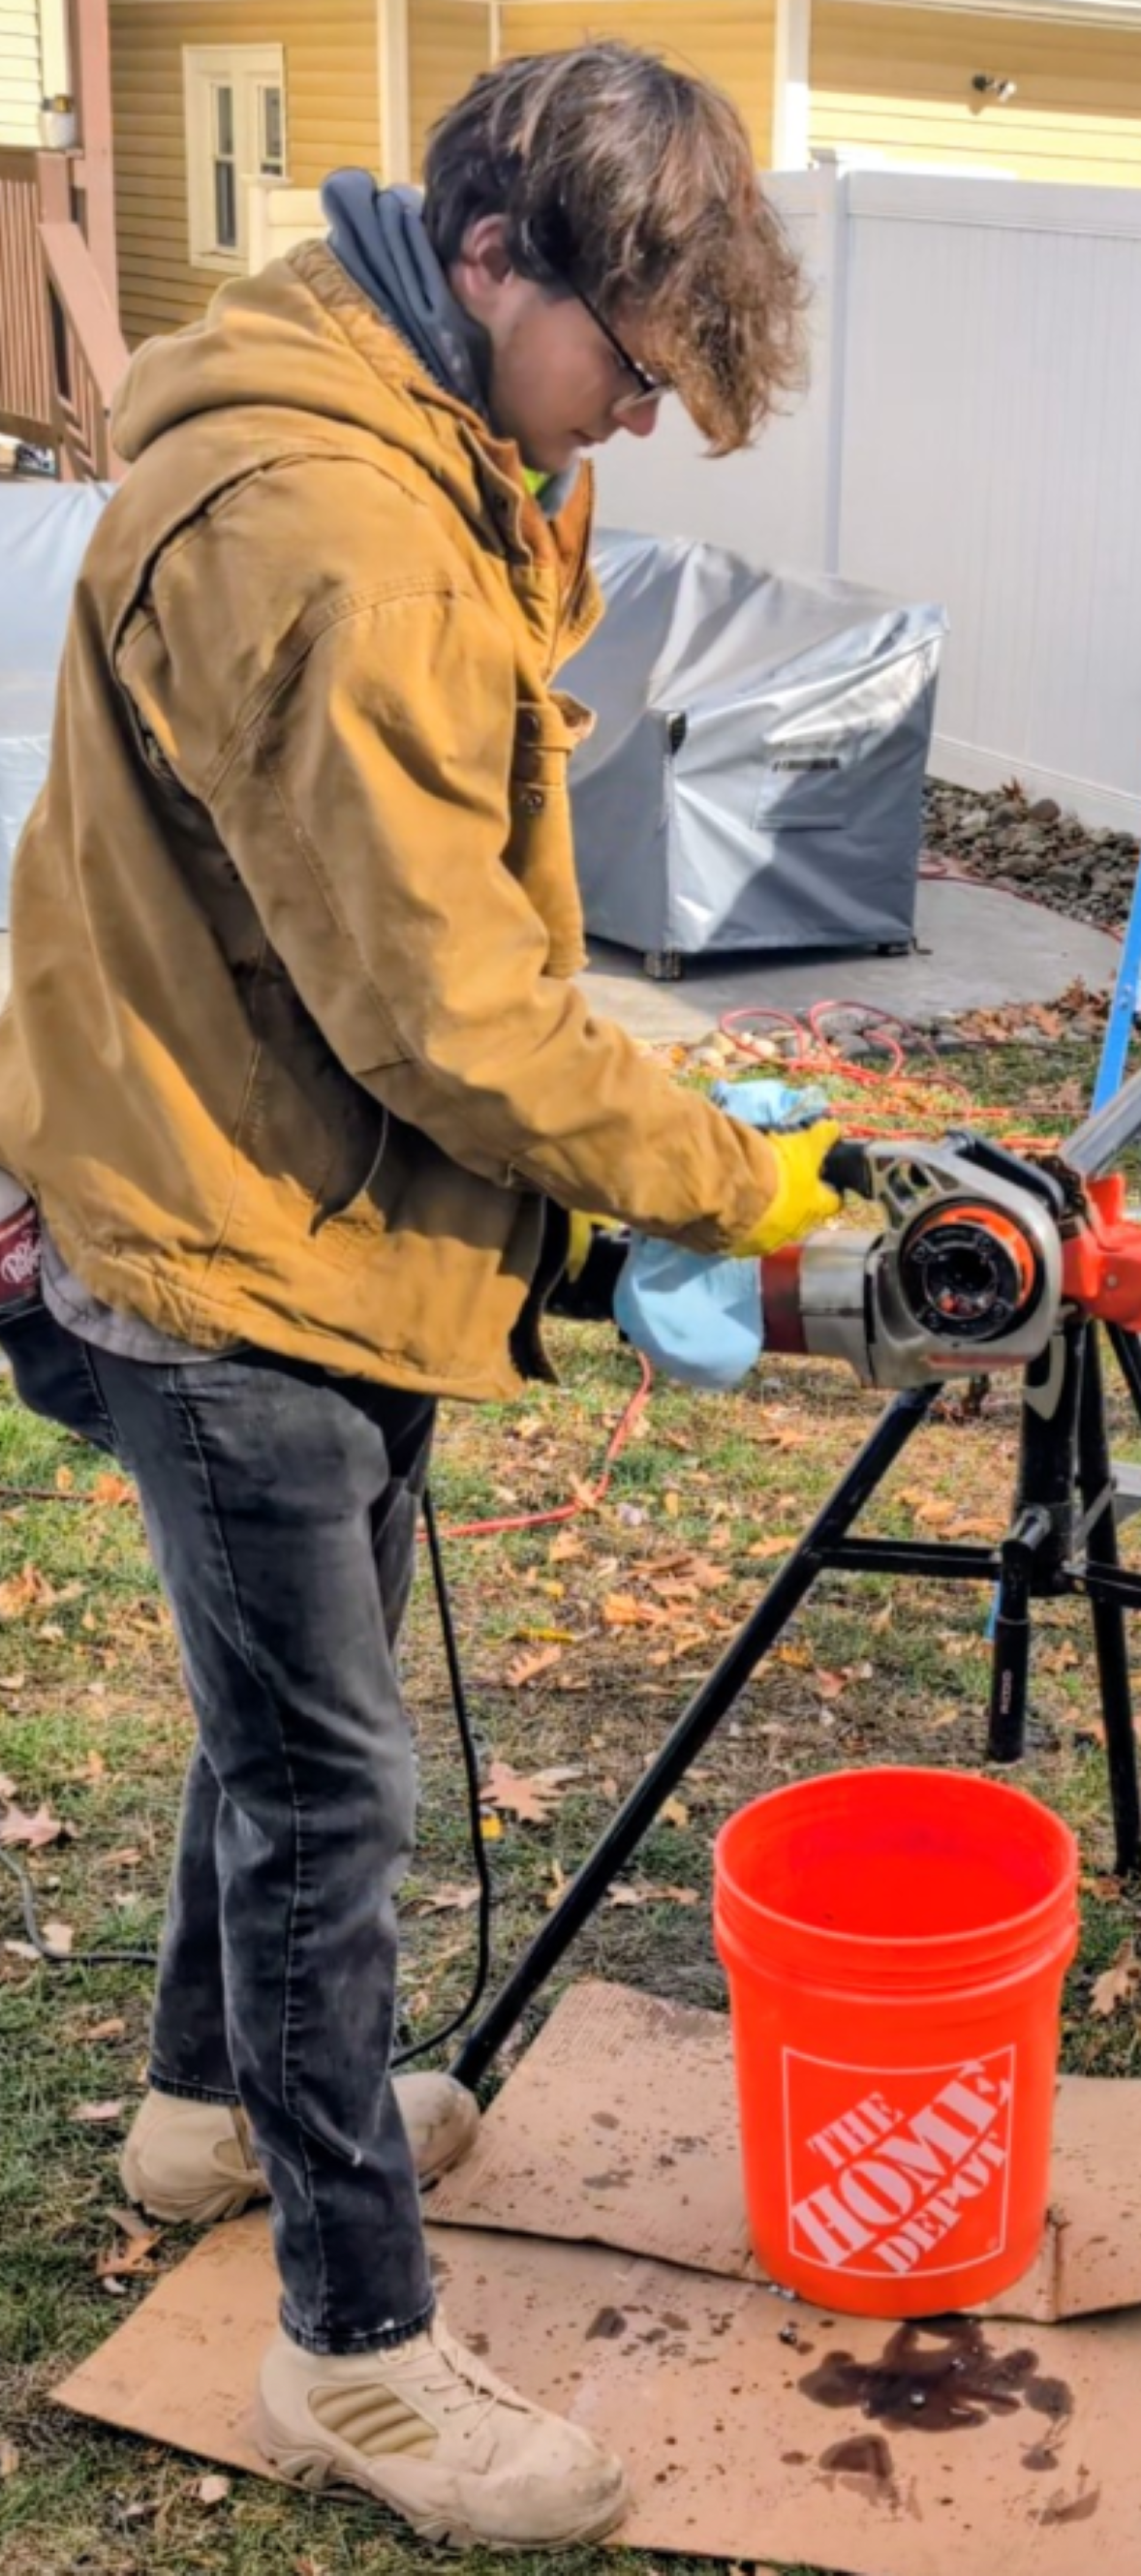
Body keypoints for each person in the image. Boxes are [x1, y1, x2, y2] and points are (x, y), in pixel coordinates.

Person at [0, 44, 836, 2552]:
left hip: (292, 1191)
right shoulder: (334, 531)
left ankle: (202, 2111)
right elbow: (449, 1013)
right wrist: (738, 1176)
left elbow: (424, 920)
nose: (651, 432)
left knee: (294, 1707)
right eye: (636, 369)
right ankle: (351, 2348)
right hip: (215, 1230)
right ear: (493, 260)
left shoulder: (433, 444)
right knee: (329, 1789)